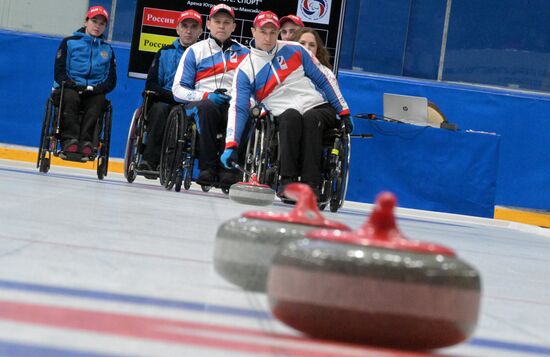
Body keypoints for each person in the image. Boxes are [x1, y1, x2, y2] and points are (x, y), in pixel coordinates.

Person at [221, 11, 353, 198]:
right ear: (253, 31)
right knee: (291, 118)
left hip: (317, 106)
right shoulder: (245, 70)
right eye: (263, 31)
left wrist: (344, 111)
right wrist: (231, 145)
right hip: (283, 112)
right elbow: (239, 108)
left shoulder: (296, 50)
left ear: (278, 32)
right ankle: (287, 181)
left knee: (311, 118)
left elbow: (324, 80)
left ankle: (311, 184)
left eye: (273, 32)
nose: (268, 37)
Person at [172, 4, 249, 186]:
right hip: (201, 103)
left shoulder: (246, 54)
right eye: (217, 22)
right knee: (208, 108)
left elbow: (254, 89)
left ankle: (229, 169)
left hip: (232, 103)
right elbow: (178, 90)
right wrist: (206, 96)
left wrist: (240, 99)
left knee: (243, 110)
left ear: (234, 27)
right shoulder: (195, 51)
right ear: (208, 25)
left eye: (226, 22)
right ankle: (207, 168)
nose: (221, 26)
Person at [138, 10, 203, 174]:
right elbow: (151, 84)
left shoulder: (205, 56)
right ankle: (150, 161)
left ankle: (169, 163)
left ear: (200, 31)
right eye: (185, 26)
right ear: (177, 29)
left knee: (183, 115)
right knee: (159, 110)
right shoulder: (164, 52)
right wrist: (172, 96)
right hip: (165, 99)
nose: (189, 30)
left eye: (193, 27)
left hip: (189, 103)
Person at [53, 5, 116, 156]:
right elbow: (59, 72)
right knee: (70, 97)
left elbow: (111, 80)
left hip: (93, 91)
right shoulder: (69, 42)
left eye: (102, 23)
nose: (97, 26)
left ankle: (87, 142)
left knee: (99, 100)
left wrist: (97, 89)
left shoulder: (108, 49)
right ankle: (69, 141)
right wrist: (72, 85)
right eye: (94, 21)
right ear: (86, 21)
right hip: (69, 87)